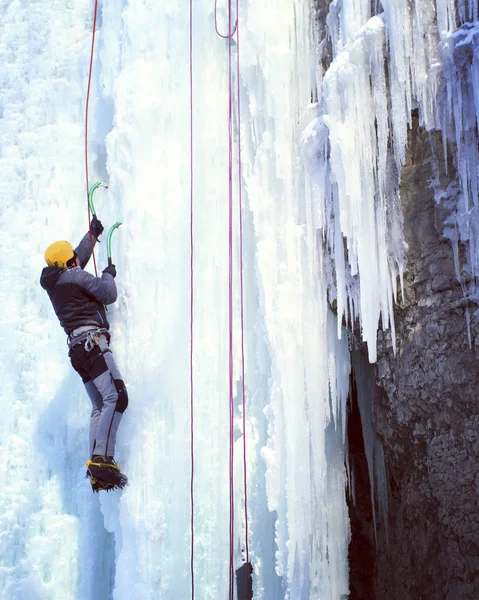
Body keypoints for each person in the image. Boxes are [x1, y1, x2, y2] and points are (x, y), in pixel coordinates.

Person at [40, 217, 128, 492]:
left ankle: (96, 467)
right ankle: (102, 459)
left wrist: (92, 235)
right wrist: (109, 273)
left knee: (101, 404)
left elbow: (76, 259)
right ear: (69, 262)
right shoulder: (75, 275)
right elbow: (108, 293)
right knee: (117, 396)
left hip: (77, 351)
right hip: (93, 343)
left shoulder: (55, 283)